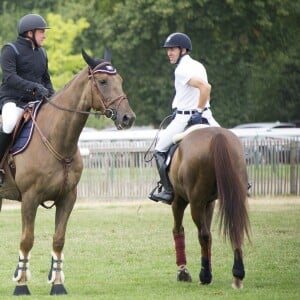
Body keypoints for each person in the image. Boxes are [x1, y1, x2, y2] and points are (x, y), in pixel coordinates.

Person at [148, 32, 220, 205]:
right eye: (168, 50)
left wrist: (197, 111)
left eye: (172, 49)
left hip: (186, 118)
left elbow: (205, 87)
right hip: (206, 116)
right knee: (232, 142)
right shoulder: (198, 65)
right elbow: (194, 92)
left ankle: (167, 191)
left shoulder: (181, 70)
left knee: (159, 150)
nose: (169, 53)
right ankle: (243, 181)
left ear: (183, 49)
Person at [0, 13, 54, 183]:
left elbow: (46, 79)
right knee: (8, 124)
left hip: (36, 101)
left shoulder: (42, 53)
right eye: (41, 32)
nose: (44, 35)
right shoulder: (10, 49)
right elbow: (10, 77)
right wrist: (34, 87)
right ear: (29, 33)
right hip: (13, 100)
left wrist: (53, 96)